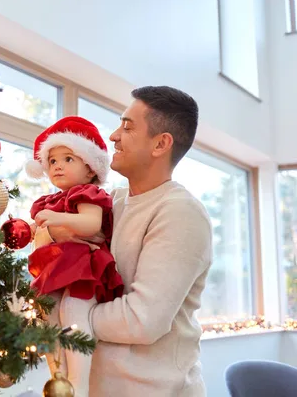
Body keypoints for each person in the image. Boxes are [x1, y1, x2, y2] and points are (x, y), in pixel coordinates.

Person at [48, 86, 213, 396]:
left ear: (161, 144)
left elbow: (142, 320)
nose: (113, 136)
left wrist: (68, 316)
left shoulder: (180, 212)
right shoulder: (108, 203)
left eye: (127, 126)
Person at [24, 116, 124, 397]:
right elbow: (41, 235)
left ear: (91, 168)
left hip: (83, 268)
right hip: (54, 268)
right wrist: (29, 230)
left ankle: (78, 386)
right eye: (52, 160)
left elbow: (91, 225)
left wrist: (54, 218)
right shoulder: (48, 201)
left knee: (74, 311)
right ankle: (58, 380)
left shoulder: (88, 193)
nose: (57, 165)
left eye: (68, 158)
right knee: (47, 314)